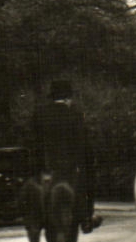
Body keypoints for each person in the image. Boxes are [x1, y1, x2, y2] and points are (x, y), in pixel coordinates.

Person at [30, 78, 102, 233]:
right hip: (70, 166)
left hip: (48, 167)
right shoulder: (75, 113)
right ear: (68, 97)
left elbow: (34, 143)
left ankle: (36, 217)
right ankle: (87, 217)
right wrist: (90, 160)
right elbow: (83, 143)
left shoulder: (39, 114)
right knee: (89, 179)